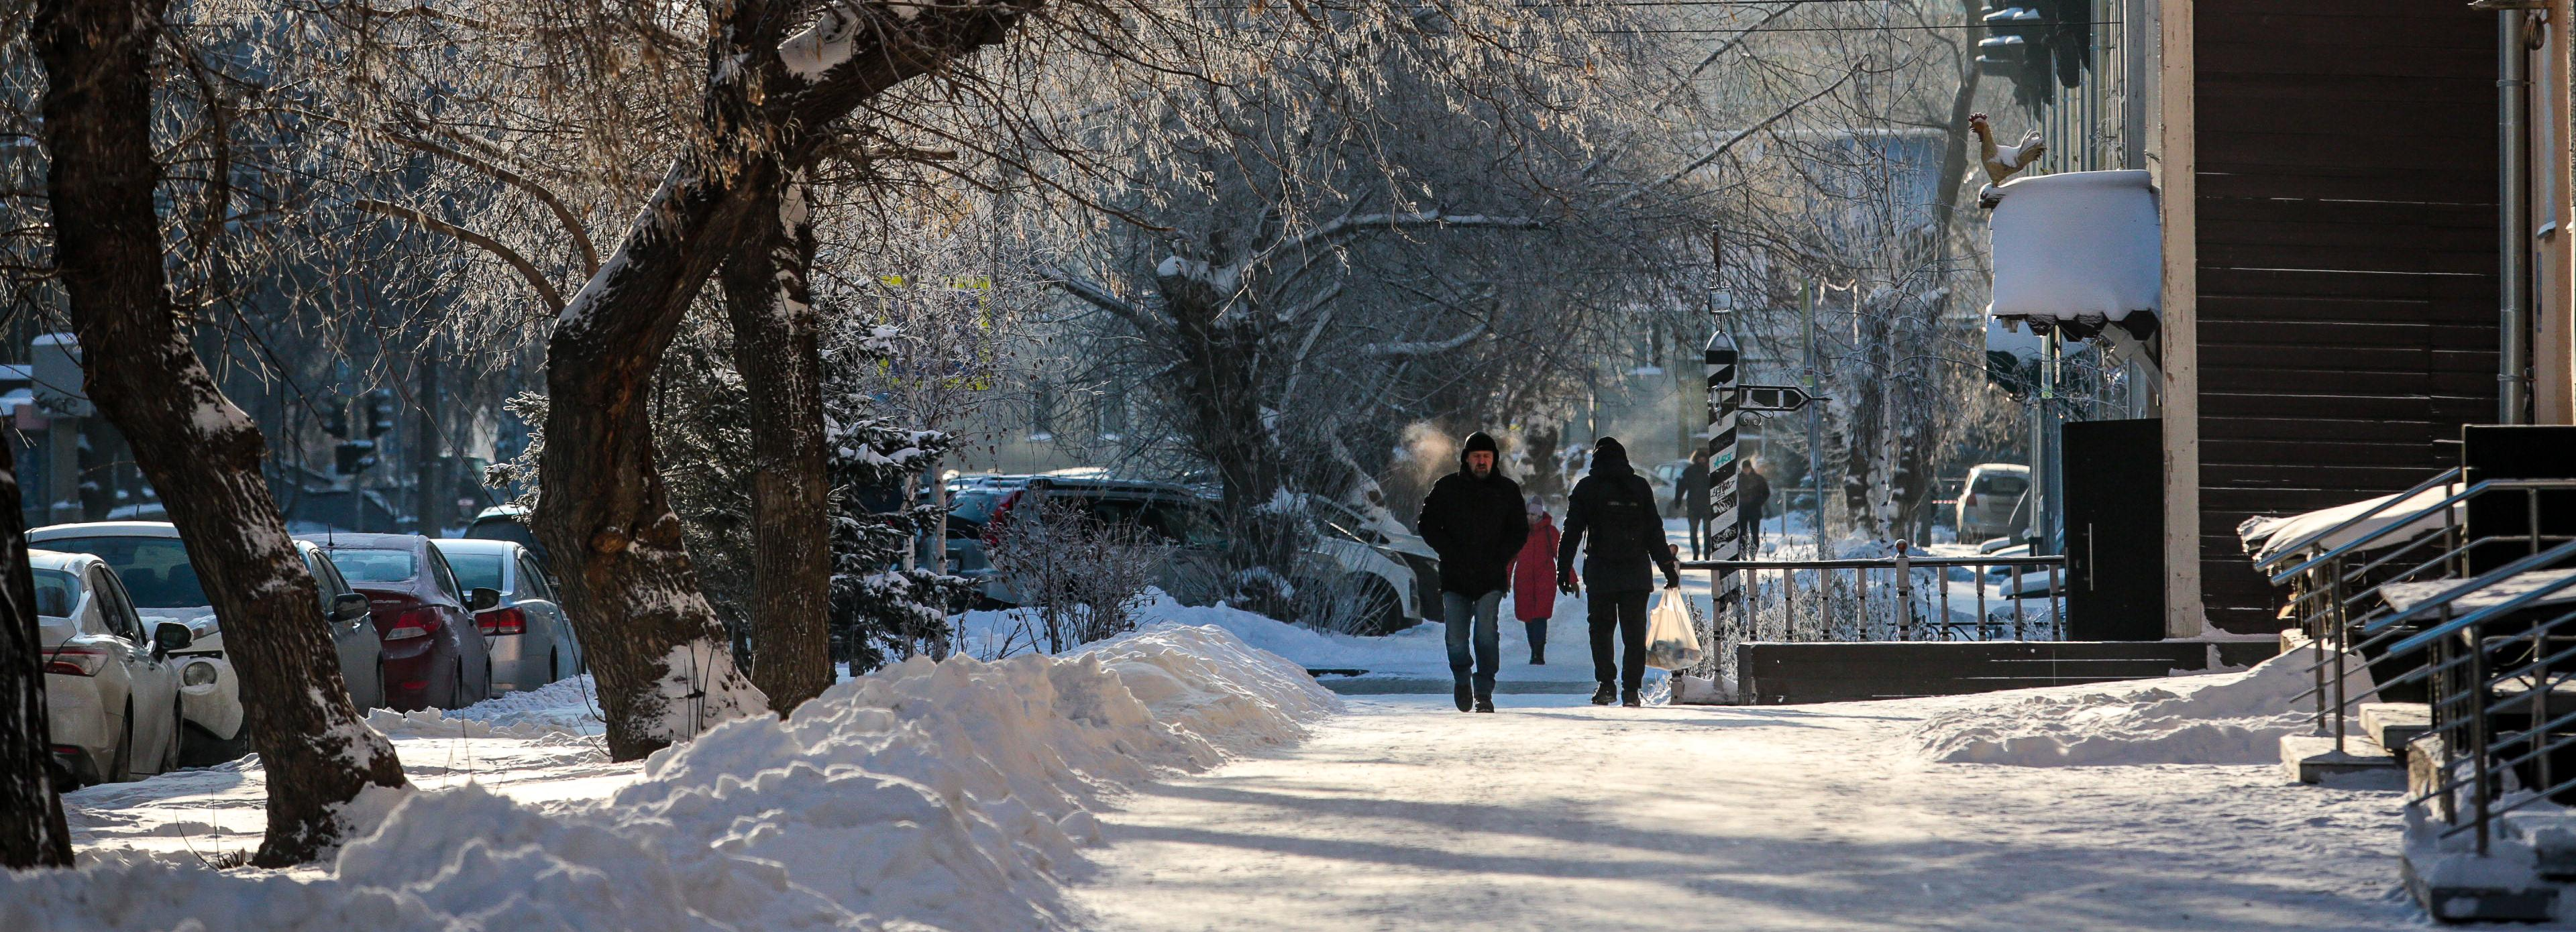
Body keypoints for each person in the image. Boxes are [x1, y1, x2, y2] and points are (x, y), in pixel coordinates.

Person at [1558, 436, 1681, 707]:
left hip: (1601, 572)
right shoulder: (1639, 487)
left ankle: (1606, 685)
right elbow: (1654, 532)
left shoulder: (1587, 488)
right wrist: (1667, 568)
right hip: (1635, 573)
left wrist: (1563, 568)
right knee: (1634, 633)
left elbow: (1572, 533)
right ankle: (1631, 690)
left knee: (1601, 630)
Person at [1416, 431, 1529, 713]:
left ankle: (1484, 690)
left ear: (1494, 460)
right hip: (1455, 575)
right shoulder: (1446, 488)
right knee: (1456, 636)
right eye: (1476, 456)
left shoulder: (1508, 491)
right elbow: (1427, 524)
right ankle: (1462, 679)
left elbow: (1519, 531)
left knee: (1486, 634)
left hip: (1491, 576)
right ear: (1466, 459)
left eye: (1487, 457)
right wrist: (1448, 550)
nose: (1482, 462)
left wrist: (1501, 556)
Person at [1511, 495, 1566, 665]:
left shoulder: (1550, 533)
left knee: (1540, 617)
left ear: (1540, 515)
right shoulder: (1519, 532)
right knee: (1528, 617)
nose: (1531, 518)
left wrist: (1569, 578)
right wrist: (1504, 579)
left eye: (1534, 515)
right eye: (1529, 514)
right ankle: (1533, 650)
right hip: (1523, 580)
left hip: (1545, 581)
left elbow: (1562, 556)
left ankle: (1538, 653)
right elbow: (1510, 558)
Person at [1676, 449, 1713, 559]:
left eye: (1703, 458)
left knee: (1706, 533)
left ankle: (1706, 554)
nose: (1702, 460)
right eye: (1700, 458)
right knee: (1694, 531)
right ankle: (1696, 554)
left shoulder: (1695, 471)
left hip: (1704, 506)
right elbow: (1681, 486)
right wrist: (1678, 500)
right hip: (1695, 505)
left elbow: (1681, 485)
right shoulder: (1692, 471)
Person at [1738, 457, 1772, 557]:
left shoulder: (1758, 479)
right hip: (1743, 510)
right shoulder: (1739, 479)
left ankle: (1753, 553)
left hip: (1754, 509)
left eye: (1747, 468)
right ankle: (1743, 552)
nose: (1746, 470)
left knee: (1754, 533)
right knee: (1743, 533)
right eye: (1745, 468)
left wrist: (1758, 502)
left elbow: (1766, 493)